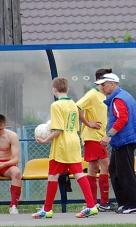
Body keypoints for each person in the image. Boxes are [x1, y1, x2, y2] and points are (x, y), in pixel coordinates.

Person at [31, 77, 98, 219]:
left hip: (62, 144)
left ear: (54, 89)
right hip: (74, 141)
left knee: (53, 175)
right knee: (79, 173)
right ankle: (91, 206)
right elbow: (75, 119)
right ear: (67, 89)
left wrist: (45, 140)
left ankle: (47, 209)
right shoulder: (73, 104)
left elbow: (59, 129)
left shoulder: (55, 105)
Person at [98, 73, 136, 214]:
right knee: (115, 170)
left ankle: (133, 205)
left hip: (124, 140)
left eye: (104, 84)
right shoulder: (123, 95)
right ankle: (124, 203)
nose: (101, 87)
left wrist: (109, 135)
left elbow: (122, 118)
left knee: (125, 173)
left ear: (113, 84)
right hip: (124, 140)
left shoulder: (118, 99)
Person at [76, 68, 116, 212]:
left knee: (93, 168)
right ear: (101, 80)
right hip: (93, 137)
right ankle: (104, 203)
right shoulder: (92, 94)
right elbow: (76, 107)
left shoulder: (103, 95)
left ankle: (92, 203)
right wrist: (88, 123)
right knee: (106, 165)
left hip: (97, 136)